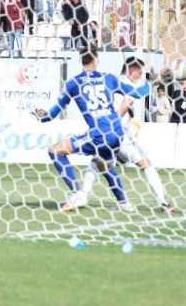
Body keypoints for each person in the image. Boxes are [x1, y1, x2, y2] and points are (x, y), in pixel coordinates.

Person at [33, 46, 148, 212]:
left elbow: (50, 115)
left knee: (55, 151)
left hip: (99, 133)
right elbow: (137, 92)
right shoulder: (109, 78)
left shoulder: (73, 83)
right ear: (97, 59)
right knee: (104, 164)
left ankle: (78, 193)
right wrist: (150, 83)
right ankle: (124, 203)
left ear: (80, 60)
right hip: (116, 132)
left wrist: (41, 115)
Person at [79, 57, 175, 213]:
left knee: (96, 162)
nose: (140, 75)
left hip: (104, 132)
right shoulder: (127, 84)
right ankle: (163, 202)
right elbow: (126, 103)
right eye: (139, 72)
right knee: (146, 164)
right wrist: (115, 122)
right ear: (132, 70)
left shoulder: (112, 82)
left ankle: (82, 195)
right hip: (118, 134)